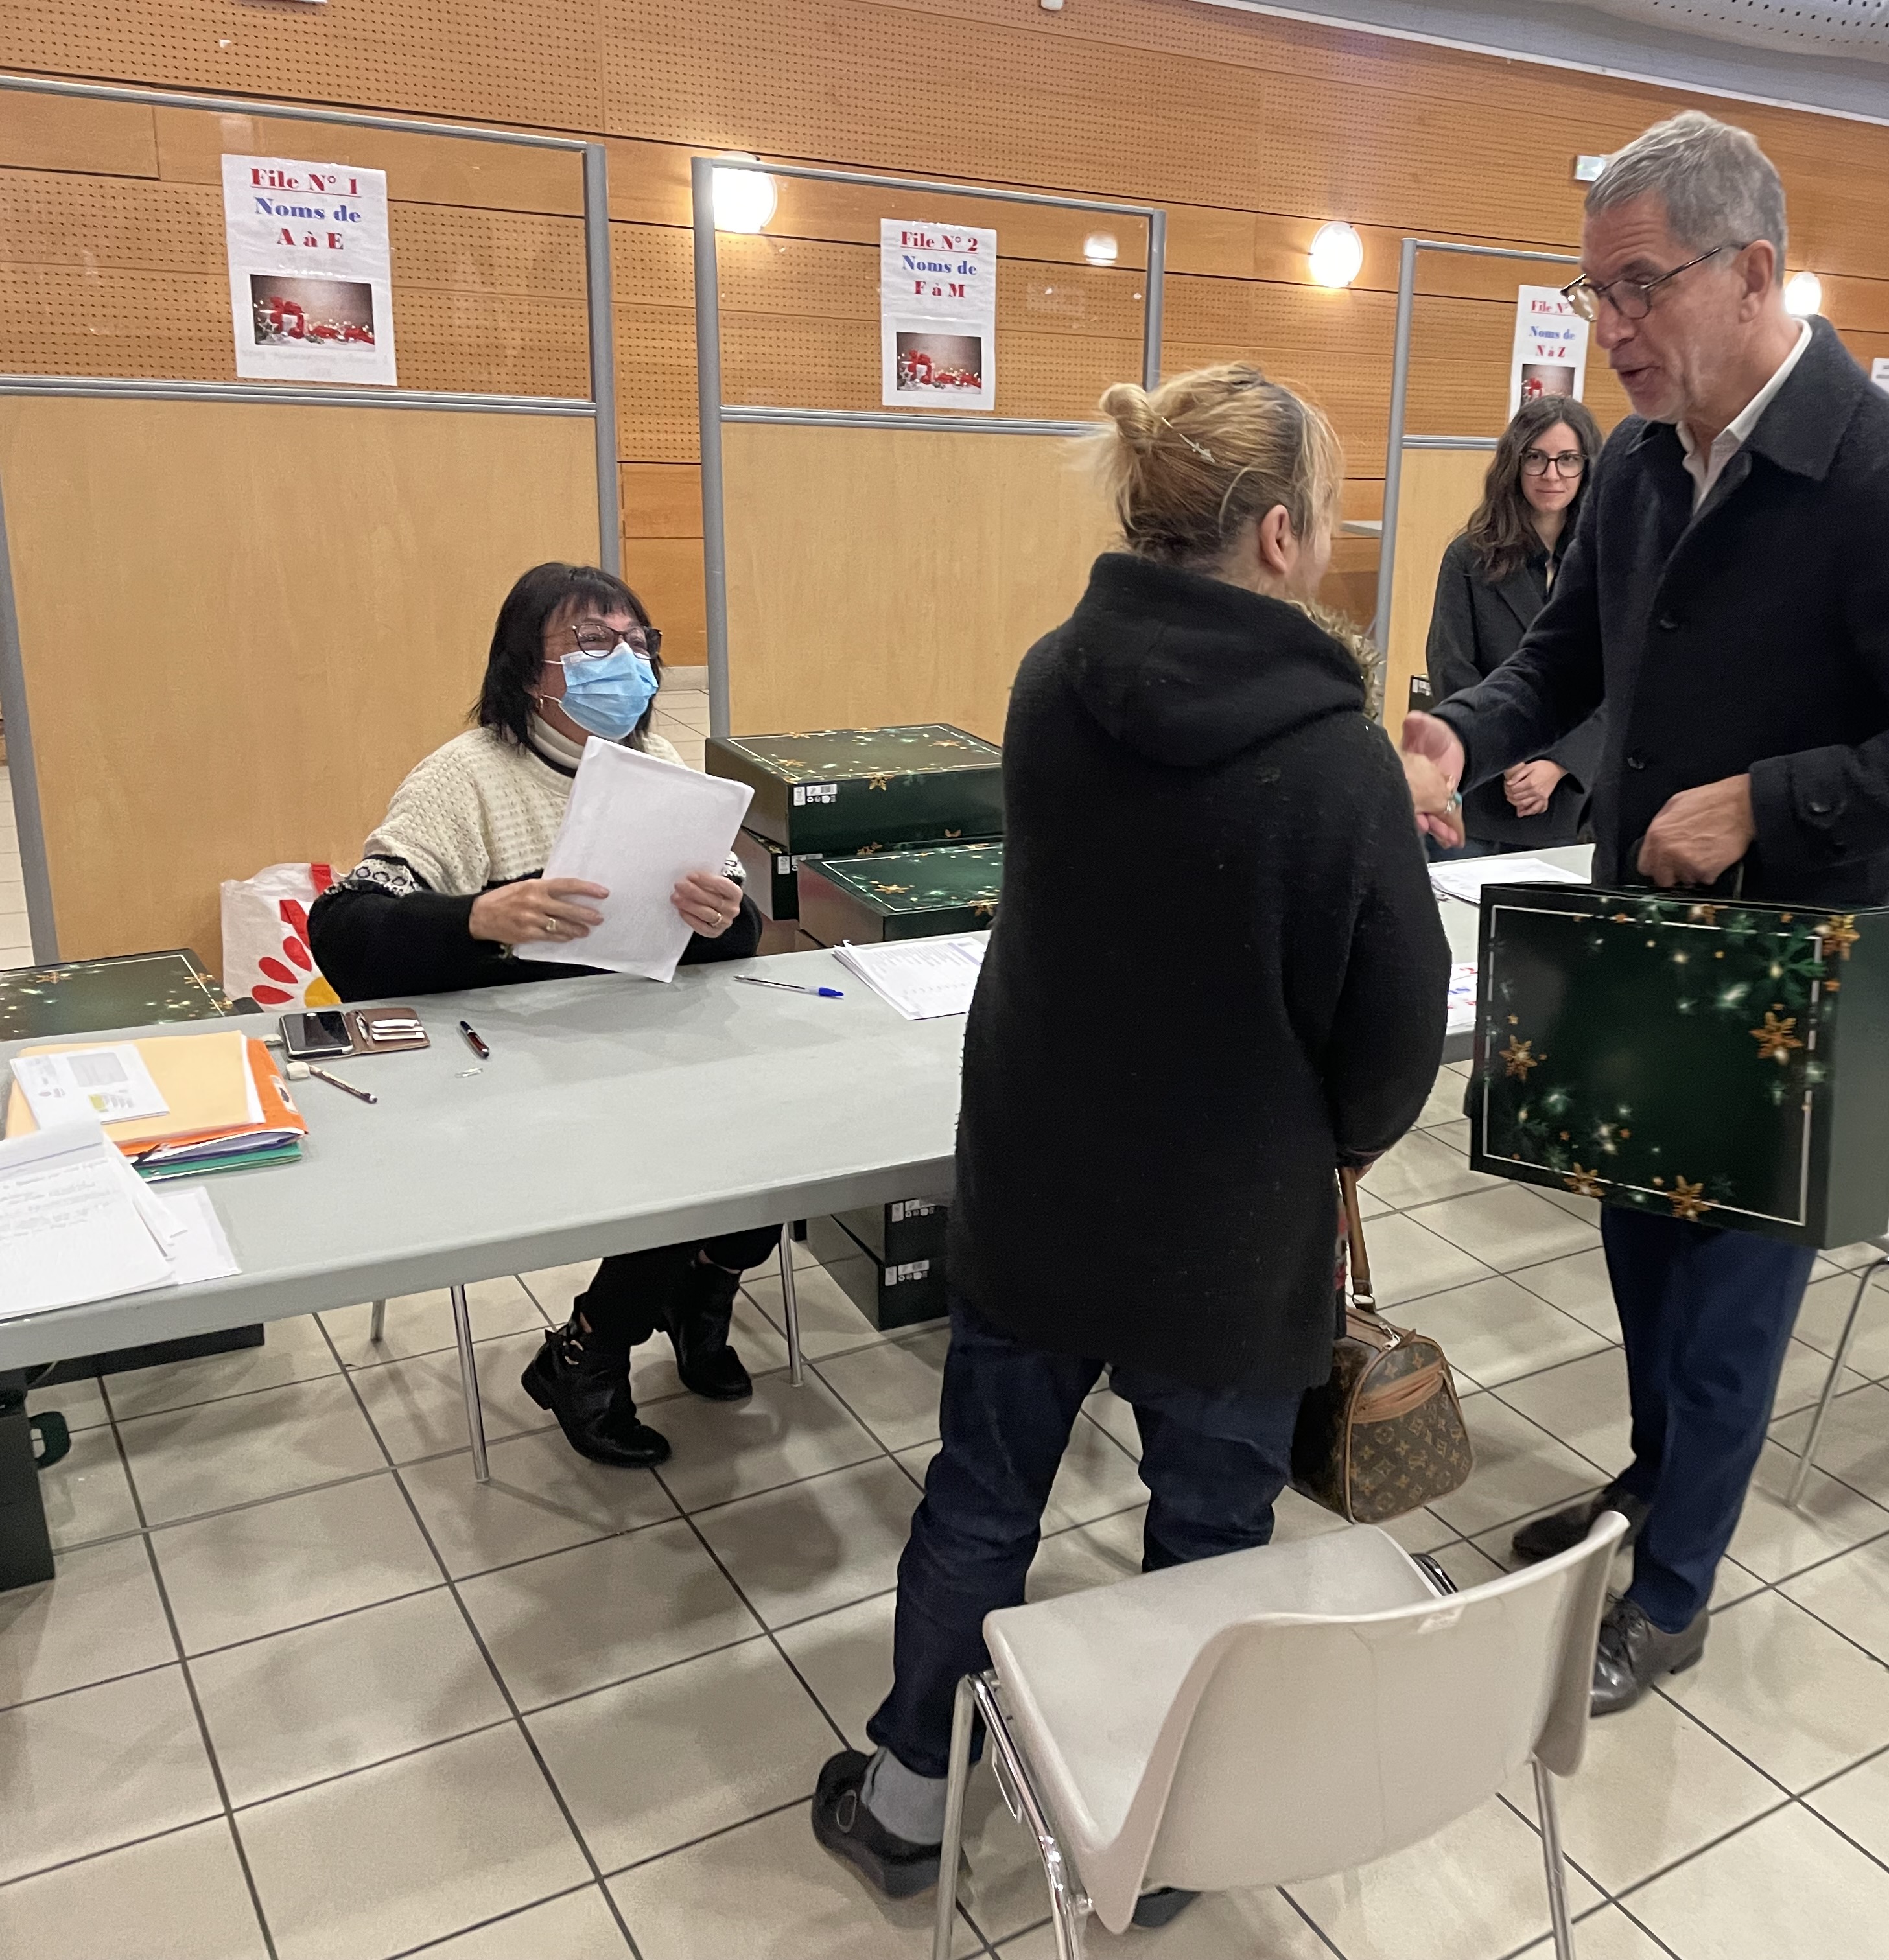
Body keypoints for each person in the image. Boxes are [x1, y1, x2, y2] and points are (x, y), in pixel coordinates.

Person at [1400, 111, 1889, 1714]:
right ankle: (1651, 1492)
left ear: (1754, 270)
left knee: (1727, 1306)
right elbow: (1574, 663)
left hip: (1794, 968)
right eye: (1593, 297)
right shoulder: (1633, 462)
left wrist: (1771, 798)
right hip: (1642, 944)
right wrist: (1464, 730)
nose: (1608, 330)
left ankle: (1675, 1591)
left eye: (1639, 289)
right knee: (1640, 1258)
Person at [813, 365, 1451, 1910]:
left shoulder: (1050, 679)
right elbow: (1395, 1024)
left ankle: (910, 1799)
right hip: (1232, 1230)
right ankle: (1161, 1835)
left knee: (980, 1501)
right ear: (1283, 535)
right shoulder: (1340, 759)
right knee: (1211, 1530)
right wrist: (1340, 1143)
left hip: (1040, 1183)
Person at [309, 561, 777, 1469]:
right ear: (530, 669)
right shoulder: (464, 778)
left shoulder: (659, 767)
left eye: (639, 644)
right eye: (593, 643)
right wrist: (478, 917)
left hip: (635, 1033)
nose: (626, 663)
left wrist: (725, 916)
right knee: (682, 1158)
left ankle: (700, 1292)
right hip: (507, 1059)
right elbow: (346, 931)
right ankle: (589, 1350)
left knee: (772, 1139)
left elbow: (732, 940)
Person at [1425, 395, 1608, 856]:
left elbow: (1619, 679)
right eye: (1537, 458)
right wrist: (1507, 754)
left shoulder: (1610, 561)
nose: (1552, 475)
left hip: (1571, 799)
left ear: (1587, 467)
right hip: (1485, 791)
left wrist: (1558, 765)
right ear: (1515, 463)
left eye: (1568, 460)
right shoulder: (1468, 557)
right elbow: (1451, 666)